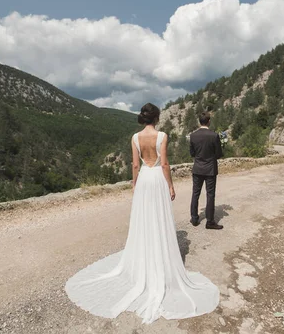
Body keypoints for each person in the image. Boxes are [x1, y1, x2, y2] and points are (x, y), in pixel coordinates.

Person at [65, 103, 219, 324]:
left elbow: (135, 165)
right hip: (157, 178)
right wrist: (171, 186)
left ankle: (144, 260)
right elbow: (164, 163)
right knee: (159, 218)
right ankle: (160, 262)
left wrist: (135, 184)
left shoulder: (135, 138)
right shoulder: (162, 136)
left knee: (144, 219)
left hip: (145, 179)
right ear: (156, 118)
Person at [189, 111, 224, 229]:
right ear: (209, 121)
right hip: (210, 169)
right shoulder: (214, 136)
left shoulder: (193, 136)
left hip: (197, 168)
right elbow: (219, 154)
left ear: (200, 121)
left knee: (195, 193)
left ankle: (194, 218)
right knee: (210, 195)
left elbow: (192, 153)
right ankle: (210, 221)